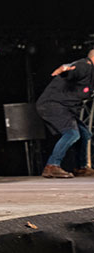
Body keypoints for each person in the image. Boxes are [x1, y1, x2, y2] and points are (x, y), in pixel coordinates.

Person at [35, 47, 94, 178]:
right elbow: (72, 69)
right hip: (52, 105)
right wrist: (64, 70)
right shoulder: (85, 65)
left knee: (84, 134)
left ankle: (81, 167)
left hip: (63, 107)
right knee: (72, 133)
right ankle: (52, 166)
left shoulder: (91, 74)